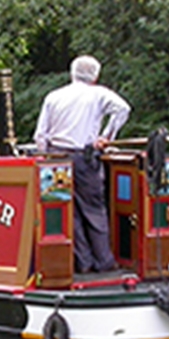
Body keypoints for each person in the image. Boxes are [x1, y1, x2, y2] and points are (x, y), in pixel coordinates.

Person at [33, 55, 131, 273]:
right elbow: (123, 109)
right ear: (95, 77)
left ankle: (83, 262)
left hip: (56, 160)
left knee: (68, 212)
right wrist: (107, 137)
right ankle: (104, 261)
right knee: (94, 209)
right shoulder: (98, 94)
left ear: (72, 73)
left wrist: (46, 158)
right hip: (85, 158)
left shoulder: (53, 97)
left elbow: (40, 135)